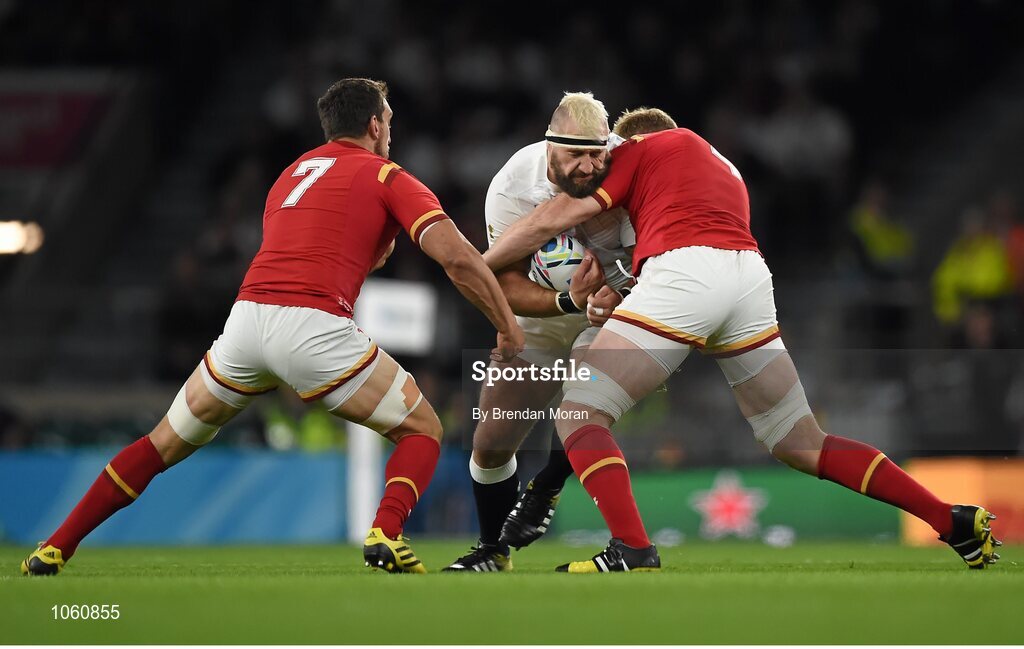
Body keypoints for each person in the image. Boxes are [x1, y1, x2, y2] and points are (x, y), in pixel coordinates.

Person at [22, 78, 524, 577]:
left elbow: (313, 251)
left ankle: (56, 547)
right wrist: (508, 329)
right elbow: (458, 259)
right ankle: (385, 534)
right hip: (312, 327)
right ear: (375, 125)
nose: (389, 130)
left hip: (246, 323)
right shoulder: (389, 177)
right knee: (423, 428)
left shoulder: (290, 174)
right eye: (388, 120)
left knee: (159, 446)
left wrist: (372, 251)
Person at [484, 120, 1001, 573]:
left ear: (638, 137)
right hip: (749, 279)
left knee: (579, 411)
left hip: (687, 271)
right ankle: (949, 518)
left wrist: (476, 267)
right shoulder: (722, 166)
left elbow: (551, 219)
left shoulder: (639, 151)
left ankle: (632, 548)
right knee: (801, 441)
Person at [442, 98, 677, 573]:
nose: (590, 166)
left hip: (614, 310)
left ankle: (548, 482)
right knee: (490, 441)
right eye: (577, 156)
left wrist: (617, 296)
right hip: (547, 315)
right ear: (550, 147)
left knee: (584, 410)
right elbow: (500, 282)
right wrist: (566, 302)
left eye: (598, 154)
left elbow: (655, 262)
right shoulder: (512, 186)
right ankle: (493, 551)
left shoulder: (627, 168)